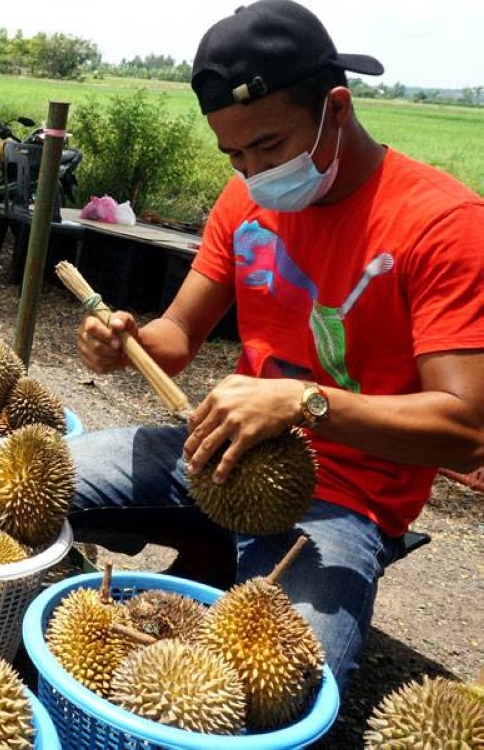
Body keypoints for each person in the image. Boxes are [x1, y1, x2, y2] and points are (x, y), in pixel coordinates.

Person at [69, 0, 484, 698]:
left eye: (268, 147)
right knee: (27, 484)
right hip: (217, 454)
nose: (253, 171)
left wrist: (304, 402)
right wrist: (127, 342)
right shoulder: (245, 204)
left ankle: (234, 566)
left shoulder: (443, 226)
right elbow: (177, 338)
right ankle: (208, 555)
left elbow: (466, 431)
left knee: (283, 690)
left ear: (337, 109)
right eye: (234, 155)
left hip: (345, 501)